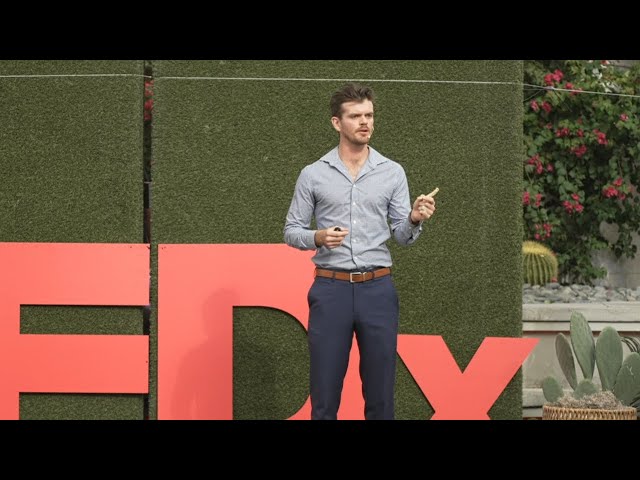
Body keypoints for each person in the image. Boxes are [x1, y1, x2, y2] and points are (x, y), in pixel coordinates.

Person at [283, 83, 436, 420]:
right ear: (337, 123)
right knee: (324, 398)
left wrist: (413, 218)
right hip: (330, 290)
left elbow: (403, 236)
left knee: (381, 398)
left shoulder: (392, 172)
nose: (365, 122)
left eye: (369, 115)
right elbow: (291, 231)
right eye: (355, 116)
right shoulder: (313, 174)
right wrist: (319, 237)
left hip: (378, 290)